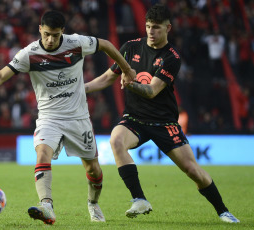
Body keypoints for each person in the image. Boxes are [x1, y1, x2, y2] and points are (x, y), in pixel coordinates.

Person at [0, 10, 136, 225]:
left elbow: (105, 44)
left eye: (55, 35)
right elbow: (3, 74)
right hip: (49, 117)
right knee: (42, 155)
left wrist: (126, 69)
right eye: (47, 34)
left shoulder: (76, 43)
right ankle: (46, 206)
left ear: (63, 33)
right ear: (40, 29)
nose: (50, 40)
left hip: (78, 118)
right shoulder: (29, 54)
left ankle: (93, 203)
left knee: (93, 169)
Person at [85, 4, 239, 223]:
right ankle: (139, 199)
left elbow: (151, 91)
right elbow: (110, 76)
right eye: (148, 26)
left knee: (191, 169)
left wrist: (130, 83)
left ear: (168, 28)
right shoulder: (131, 47)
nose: (150, 31)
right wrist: (84, 88)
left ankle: (223, 210)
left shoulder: (171, 57)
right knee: (116, 141)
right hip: (135, 118)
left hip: (164, 122)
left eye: (156, 27)